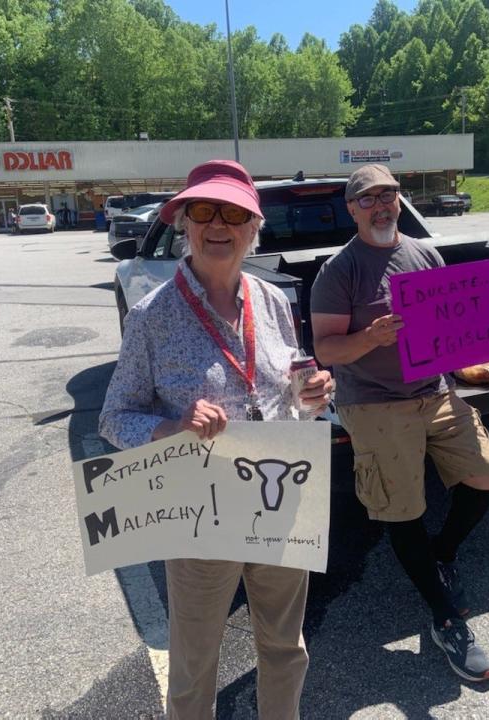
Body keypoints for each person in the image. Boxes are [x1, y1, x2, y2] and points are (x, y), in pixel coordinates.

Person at [99, 159, 334, 719]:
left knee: (285, 647)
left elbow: (290, 391)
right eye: (203, 211)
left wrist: (315, 396)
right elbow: (113, 417)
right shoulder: (152, 317)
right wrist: (172, 428)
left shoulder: (273, 301)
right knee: (195, 660)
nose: (218, 224)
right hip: (200, 514)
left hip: (280, 500)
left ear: (254, 228)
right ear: (184, 223)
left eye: (234, 213)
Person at [309, 163, 489, 683]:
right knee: (402, 509)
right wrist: (371, 338)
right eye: (368, 199)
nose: (380, 205)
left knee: (488, 475)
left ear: (399, 200)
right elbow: (325, 347)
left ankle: (442, 553)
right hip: (374, 401)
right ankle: (446, 617)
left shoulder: (423, 252)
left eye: (388, 194)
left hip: (434, 391)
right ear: (352, 209)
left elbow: (459, 323)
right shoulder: (340, 271)